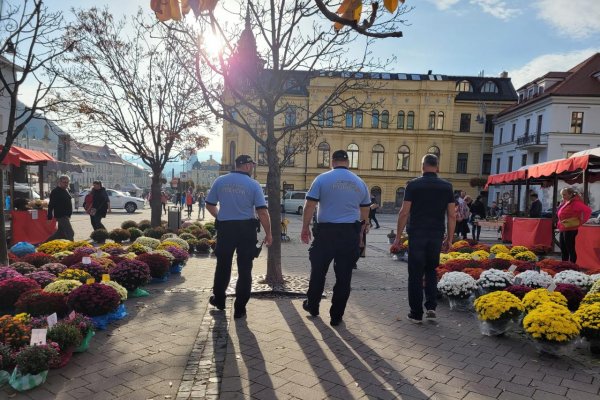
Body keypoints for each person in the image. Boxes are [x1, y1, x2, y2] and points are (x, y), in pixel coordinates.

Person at [300, 149, 371, 327]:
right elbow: (365, 210)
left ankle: (313, 306)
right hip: (349, 234)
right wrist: (362, 231)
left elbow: (310, 204)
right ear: (348, 162)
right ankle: (336, 316)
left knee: (318, 272)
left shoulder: (322, 179)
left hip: (326, 233)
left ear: (333, 161)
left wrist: (304, 227)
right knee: (344, 277)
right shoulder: (359, 182)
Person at [206, 155, 272, 319]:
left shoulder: (220, 181)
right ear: (247, 166)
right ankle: (240, 308)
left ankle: (219, 300)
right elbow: (262, 211)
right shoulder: (253, 184)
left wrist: (220, 216)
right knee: (244, 269)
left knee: (223, 266)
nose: (253, 167)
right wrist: (269, 233)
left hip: (226, 229)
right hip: (246, 229)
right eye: (252, 165)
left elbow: (209, 204)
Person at [392, 154, 455, 324]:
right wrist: (450, 239)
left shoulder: (413, 185)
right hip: (436, 234)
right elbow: (451, 215)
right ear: (437, 167)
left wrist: (398, 237)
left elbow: (404, 212)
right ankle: (432, 307)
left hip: (417, 234)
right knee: (431, 270)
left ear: (422, 166)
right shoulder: (447, 187)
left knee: (415, 273)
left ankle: (416, 313)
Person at [557, 187, 591, 263]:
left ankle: (572, 266)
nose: (563, 197)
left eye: (564, 195)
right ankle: (564, 265)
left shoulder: (576, 203)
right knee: (563, 248)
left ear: (570, 194)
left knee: (570, 249)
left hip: (570, 229)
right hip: (563, 227)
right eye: (562, 195)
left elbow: (588, 210)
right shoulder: (566, 201)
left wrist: (581, 221)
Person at [45, 175, 75, 241]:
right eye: (64, 182)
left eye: (67, 182)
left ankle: (44, 244)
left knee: (60, 233)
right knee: (70, 233)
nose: (66, 184)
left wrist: (69, 214)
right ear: (60, 182)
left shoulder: (66, 190)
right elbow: (51, 205)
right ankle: (72, 248)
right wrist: (49, 217)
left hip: (66, 215)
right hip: (61, 215)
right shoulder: (55, 191)